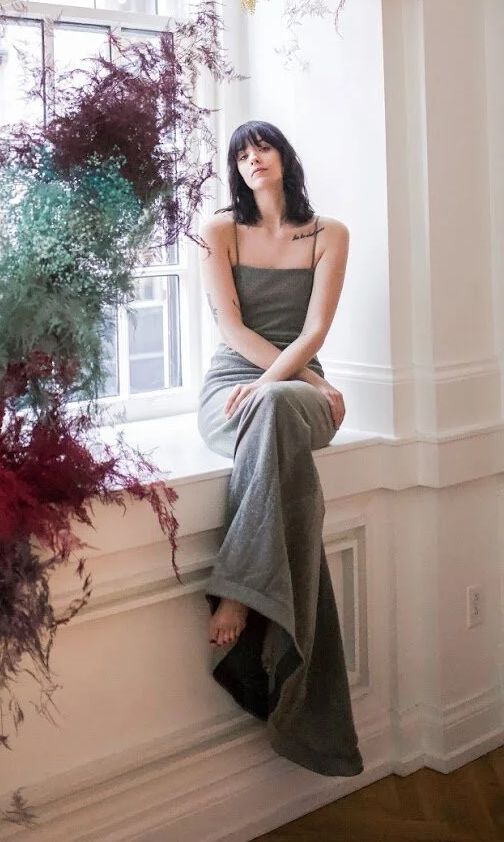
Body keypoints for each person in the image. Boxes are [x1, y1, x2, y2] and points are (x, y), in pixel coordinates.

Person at [198, 119, 363, 777]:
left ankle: (238, 589)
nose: (252, 159)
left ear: (284, 156)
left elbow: (315, 331)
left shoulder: (329, 234)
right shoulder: (217, 231)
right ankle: (247, 596)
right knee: (268, 411)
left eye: (261, 147)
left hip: (298, 388)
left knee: (272, 408)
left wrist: (298, 382)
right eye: (240, 154)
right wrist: (274, 382)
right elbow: (230, 327)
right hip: (232, 389)